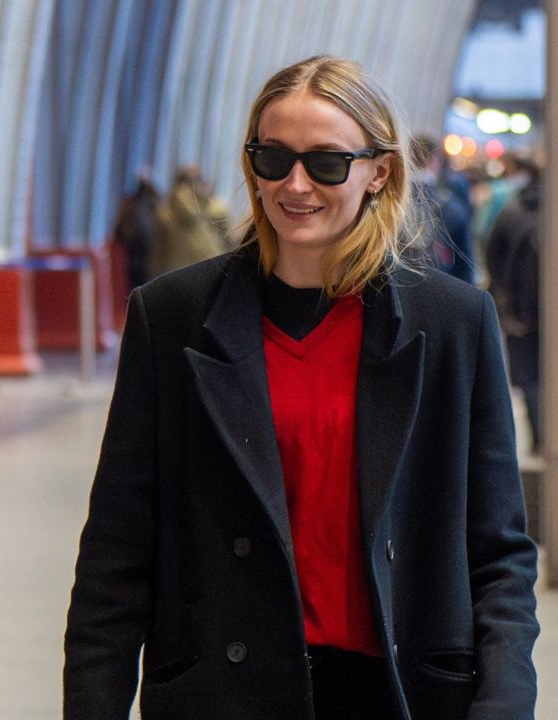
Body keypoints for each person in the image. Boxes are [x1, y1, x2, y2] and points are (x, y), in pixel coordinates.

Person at [64, 56, 539, 720]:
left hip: (402, 691)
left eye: (325, 163)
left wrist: (504, 702)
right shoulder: (172, 317)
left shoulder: (453, 323)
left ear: (381, 171)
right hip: (223, 692)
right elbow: (117, 550)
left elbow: (498, 551)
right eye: (273, 157)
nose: (295, 185)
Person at [486, 167, 544, 454]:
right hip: (538, 312)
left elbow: (492, 256)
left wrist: (501, 296)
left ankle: (540, 437)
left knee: (529, 377)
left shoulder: (511, 213)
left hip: (520, 313)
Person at [412, 135, 475, 284]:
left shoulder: (384, 201)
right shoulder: (452, 206)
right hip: (436, 285)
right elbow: (465, 266)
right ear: (434, 161)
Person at [148, 165, 228, 278]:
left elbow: (158, 252)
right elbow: (228, 241)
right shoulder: (212, 209)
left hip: (174, 274)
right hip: (208, 272)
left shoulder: (163, 212)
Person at [112, 173, 159, 291]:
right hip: (146, 258)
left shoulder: (128, 205)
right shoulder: (155, 206)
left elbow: (118, 230)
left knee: (133, 290)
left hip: (130, 256)